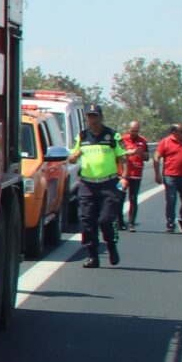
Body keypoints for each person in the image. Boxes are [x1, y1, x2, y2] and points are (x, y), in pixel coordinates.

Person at [73, 107, 125, 266]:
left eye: (95, 116)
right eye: (90, 117)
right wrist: (73, 156)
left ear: (101, 117)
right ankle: (92, 255)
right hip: (87, 184)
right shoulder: (82, 136)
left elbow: (122, 157)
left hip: (108, 184)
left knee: (106, 219)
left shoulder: (113, 135)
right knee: (87, 220)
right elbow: (72, 157)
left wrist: (124, 178)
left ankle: (112, 244)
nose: (92, 120)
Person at [118, 120, 151, 230]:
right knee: (119, 198)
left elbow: (147, 158)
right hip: (122, 175)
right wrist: (129, 152)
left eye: (136, 131)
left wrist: (141, 153)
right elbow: (117, 154)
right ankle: (120, 222)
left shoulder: (143, 141)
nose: (134, 133)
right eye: (132, 131)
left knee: (133, 198)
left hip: (136, 175)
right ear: (129, 130)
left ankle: (131, 223)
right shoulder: (122, 140)